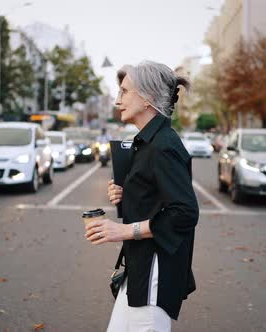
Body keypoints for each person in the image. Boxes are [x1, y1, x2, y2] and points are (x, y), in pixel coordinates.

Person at [84, 61, 199, 331]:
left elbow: (184, 214)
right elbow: (157, 198)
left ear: (147, 98)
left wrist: (122, 231)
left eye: (124, 92)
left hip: (154, 276)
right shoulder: (148, 141)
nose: (117, 100)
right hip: (139, 270)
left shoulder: (163, 145)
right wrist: (128, 194)